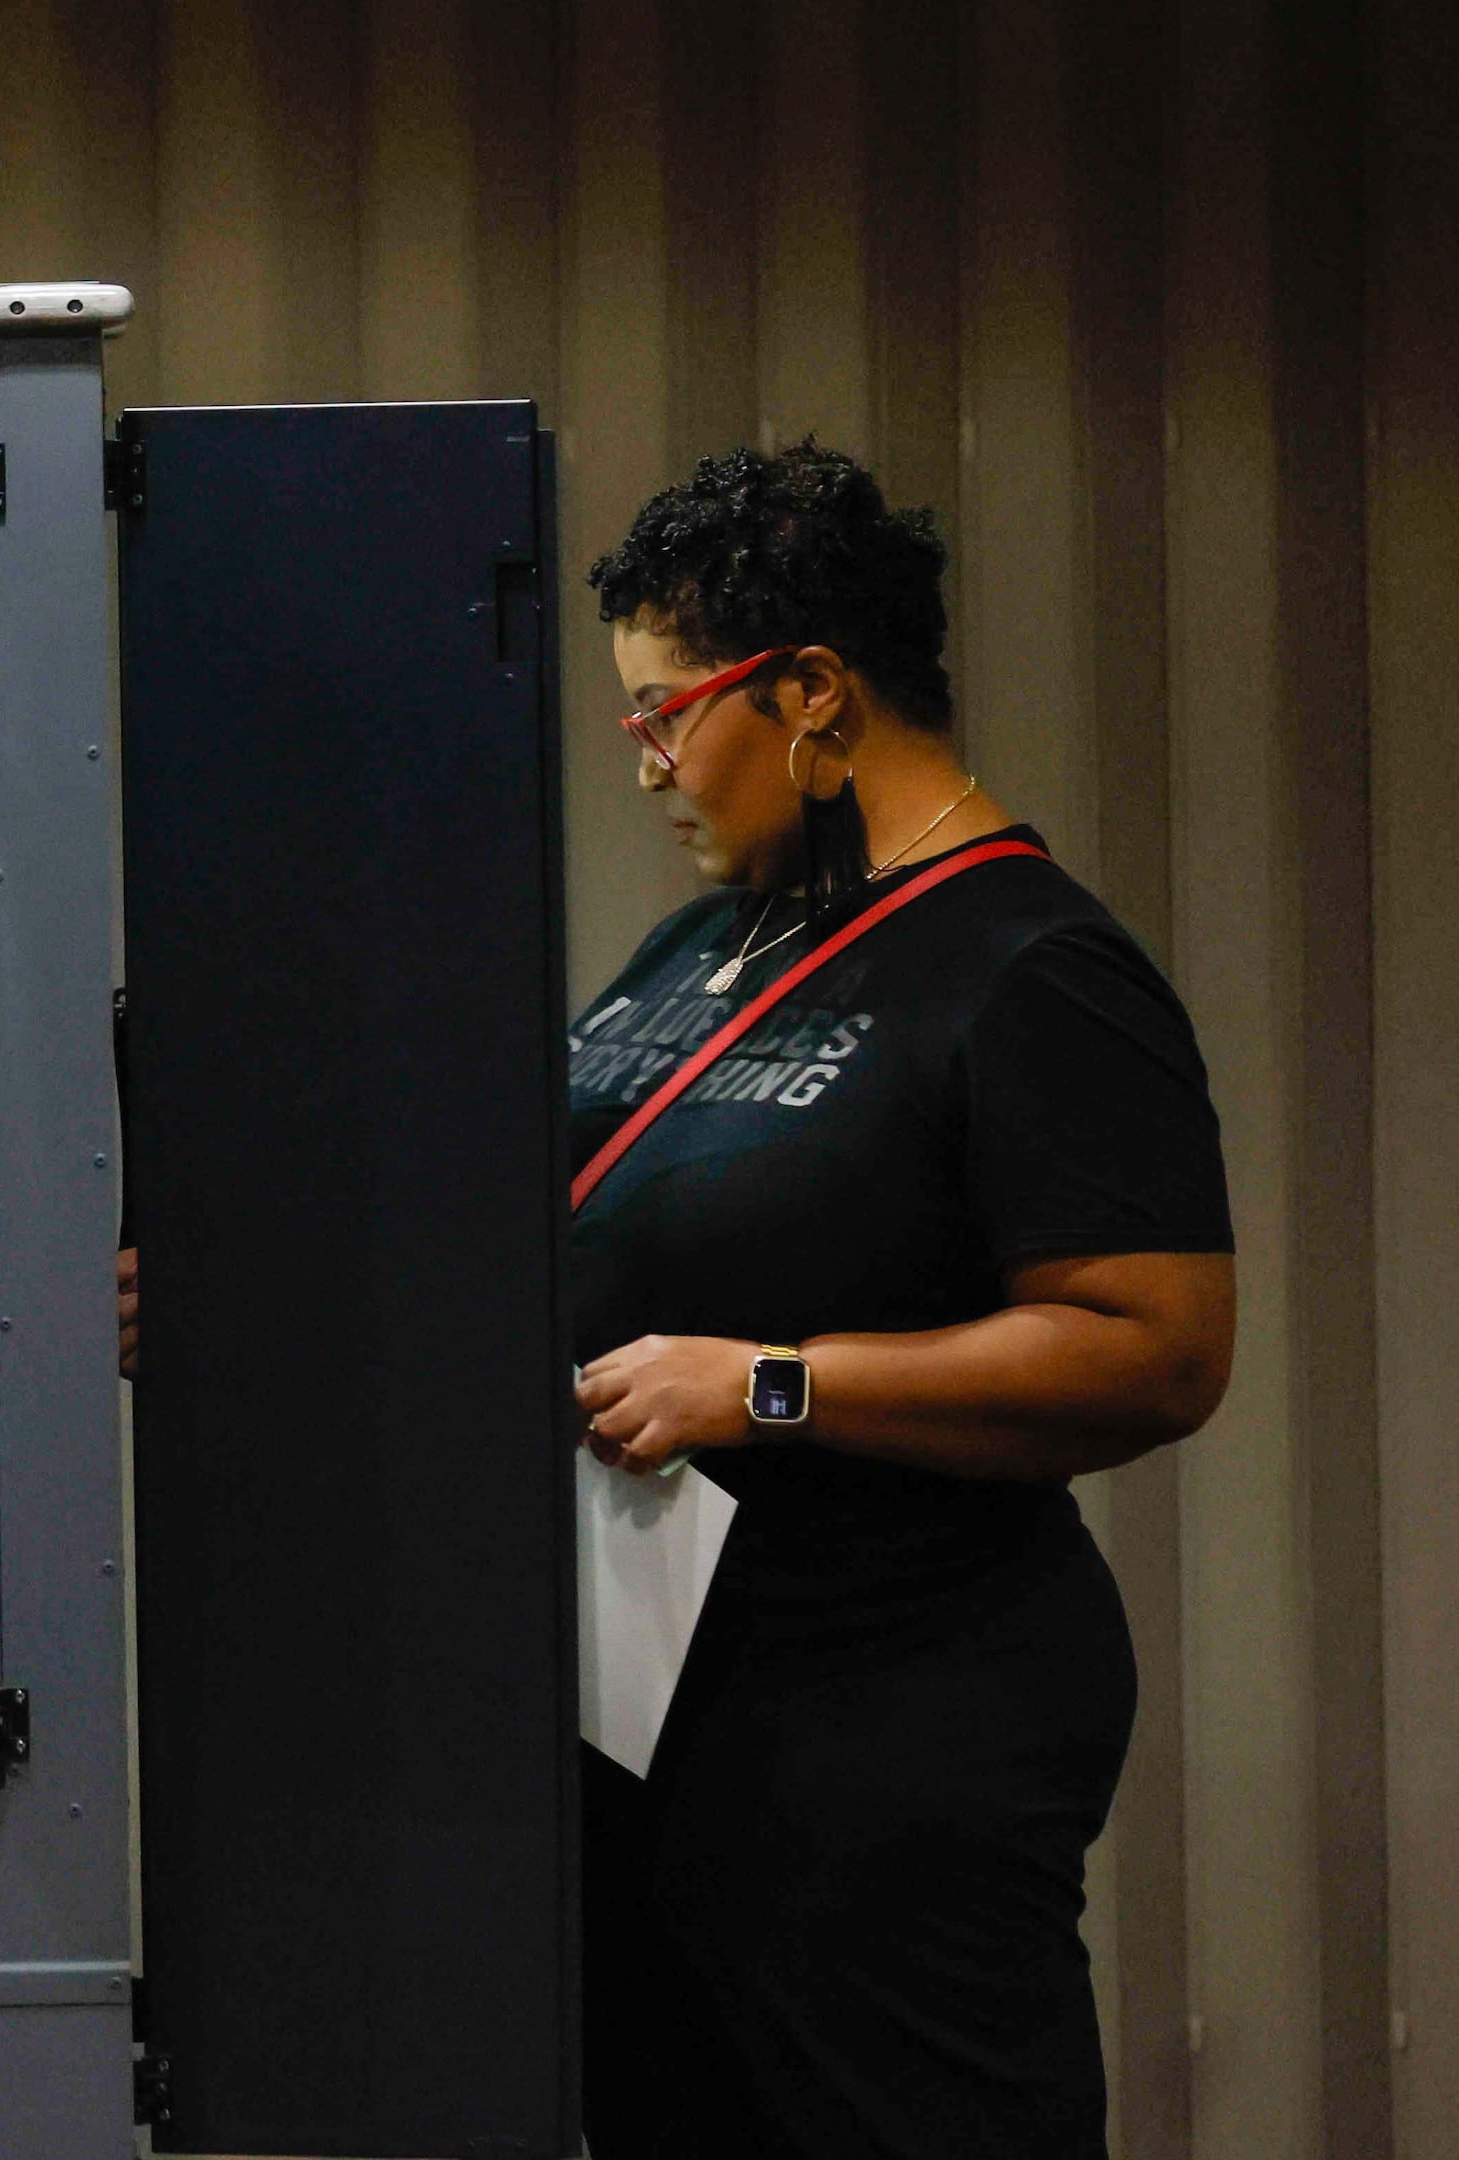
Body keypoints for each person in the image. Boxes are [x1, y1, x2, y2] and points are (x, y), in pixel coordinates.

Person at [568, 444, 1233, 2154]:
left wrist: (776, 1383)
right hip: (661, 1737)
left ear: (808, 692)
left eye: (666, 713)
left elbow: (1155, 1351)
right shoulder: (706, 947)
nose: (643, 761)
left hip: (885, 1730)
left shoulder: (1031, 971)